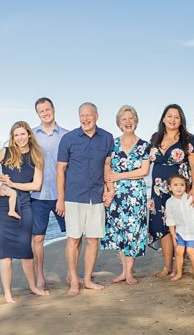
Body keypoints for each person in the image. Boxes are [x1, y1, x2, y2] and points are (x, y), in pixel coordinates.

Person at [0, 121, 49, 302]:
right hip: (1, 206)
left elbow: (36, 185)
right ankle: (8, 294)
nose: (19, 138)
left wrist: (13, 184)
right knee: (5, 254)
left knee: (26, 250)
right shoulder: (4, 152)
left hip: (24, 205)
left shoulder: (37, 156)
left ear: (28, 134)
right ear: (13, 137)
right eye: (16, 135)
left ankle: (33, 286)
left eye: (22, 134)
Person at [56, 102, 114, 296]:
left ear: (97, 116)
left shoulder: (107, 138)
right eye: (82, 115)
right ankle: (74, 280)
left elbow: (108, 167)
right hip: (74, 197)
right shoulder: (68, 138)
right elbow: (60, 170)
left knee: (93, 240)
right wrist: (60, 199)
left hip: (96, 197)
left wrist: (109, 190)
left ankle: (87, 279)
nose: (85, 118)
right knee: (73, 239)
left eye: (89, 114)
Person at [148, 104, 194, 278]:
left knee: (181, 224)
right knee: (162, 226)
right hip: (158, 190)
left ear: (181, 120)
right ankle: (167, 266)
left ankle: (180, 265)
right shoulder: (155, 137)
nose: (172, 120)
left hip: (179, 190)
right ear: (163, 118)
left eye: (176, 117)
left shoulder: (188, 139)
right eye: (169, 116)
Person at [101, 105, 150, 285]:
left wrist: (120, 176)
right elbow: (107, 167)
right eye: (124, 119)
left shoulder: (144, 145)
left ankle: (129, 272)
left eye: (131, 118)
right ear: (119, 123)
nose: (128, 122)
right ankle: (124, 271)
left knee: (133, 232)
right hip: (116, 194)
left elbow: (144, 171)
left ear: (136, 121)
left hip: (135, 194)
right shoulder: (111, 144)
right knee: (119, 232)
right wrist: (109, 189)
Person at [30, 97, 69, 290]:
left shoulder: (66, 135)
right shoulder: (31, 136)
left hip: (62, 194)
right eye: (41, 111)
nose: (45, 113)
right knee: (37, 238)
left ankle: (71, 273)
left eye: (48, 109)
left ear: (53, 109)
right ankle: (40, 277)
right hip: (37, 196)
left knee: (73, 235)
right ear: (38, 114)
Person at [165, 174, 194, 281]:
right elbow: (170, 219)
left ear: (186, 186)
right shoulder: (169, 202)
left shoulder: (190, 198)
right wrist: (173, 233)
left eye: (182, 185)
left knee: (190, 251)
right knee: (179, 252)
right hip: (180, 231)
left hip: (193, 230)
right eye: (175, 185)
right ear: (169, 187)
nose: (179, 188)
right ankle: (179, 273)